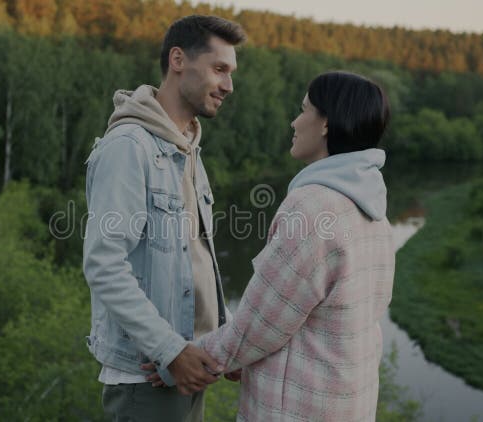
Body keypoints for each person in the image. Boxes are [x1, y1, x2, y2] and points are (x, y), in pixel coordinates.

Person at [146, 71, 395, 421]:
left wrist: (179, 360)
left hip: (295, 410)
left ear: (325, 124)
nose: (294, 122)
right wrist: (239, 357)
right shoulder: (375, 212)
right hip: (348, 404)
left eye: (303, 110)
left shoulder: (312, 208)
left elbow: (260, 323)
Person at [82, 15, 246, 422]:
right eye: (219, 69)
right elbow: (103, 265)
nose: (229, 85)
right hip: (146, 382)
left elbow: (195, 262)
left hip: (184, 371)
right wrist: (168, 350)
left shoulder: (186, 146)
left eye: (231, 72)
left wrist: (218, 343)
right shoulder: (128, 148)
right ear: (178, 60)